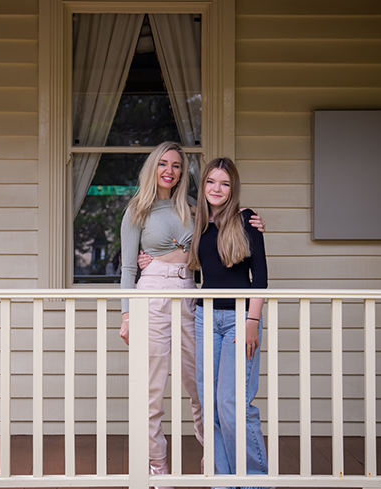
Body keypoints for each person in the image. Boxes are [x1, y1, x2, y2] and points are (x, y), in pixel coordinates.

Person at [118, 142, 264, 479]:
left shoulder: (193, 208)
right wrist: (126, 314)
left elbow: (222, 237)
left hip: (188, 293)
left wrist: (255, 225)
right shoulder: (136, 210)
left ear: (183, 173)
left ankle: (212, 457)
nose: (170, 171)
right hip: (151, 293)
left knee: (199, 384)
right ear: (153, 167)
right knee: (152, 388)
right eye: (163, 164)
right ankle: (157, 467)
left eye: (177, 166)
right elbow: (128, 268)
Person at [190, 157, 268, 482]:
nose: (217, 189)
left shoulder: (247, 219)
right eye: (211, 182)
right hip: (204, 317)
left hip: (240, 318)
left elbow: (260, 277)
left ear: (232, 187)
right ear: (203, 186)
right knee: (211, 406)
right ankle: (224, 482)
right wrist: (145, 258)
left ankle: (253, 482)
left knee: (232, 402)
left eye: (224, 183)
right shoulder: (199, 224)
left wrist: (252, 320)